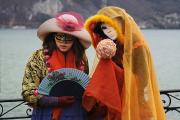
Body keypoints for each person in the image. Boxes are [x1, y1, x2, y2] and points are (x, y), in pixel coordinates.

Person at [82, 6, 166, 120]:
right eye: (104, 28)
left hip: (133, 99)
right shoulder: (113, 45)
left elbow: (143, 81)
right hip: (114, 97)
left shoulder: (138, 47)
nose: (108, 30)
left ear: (121, 24)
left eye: (112, 25)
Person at [21, 12, 91, 120]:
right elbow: (28, 92)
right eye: (60, 36)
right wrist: (56, 101)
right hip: (46, 114)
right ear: (53, 36)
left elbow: (84, 85)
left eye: (69, 38)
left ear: (75, 39)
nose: (63, 42)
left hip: (76, 114)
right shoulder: (38, 57)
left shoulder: (81, 59)